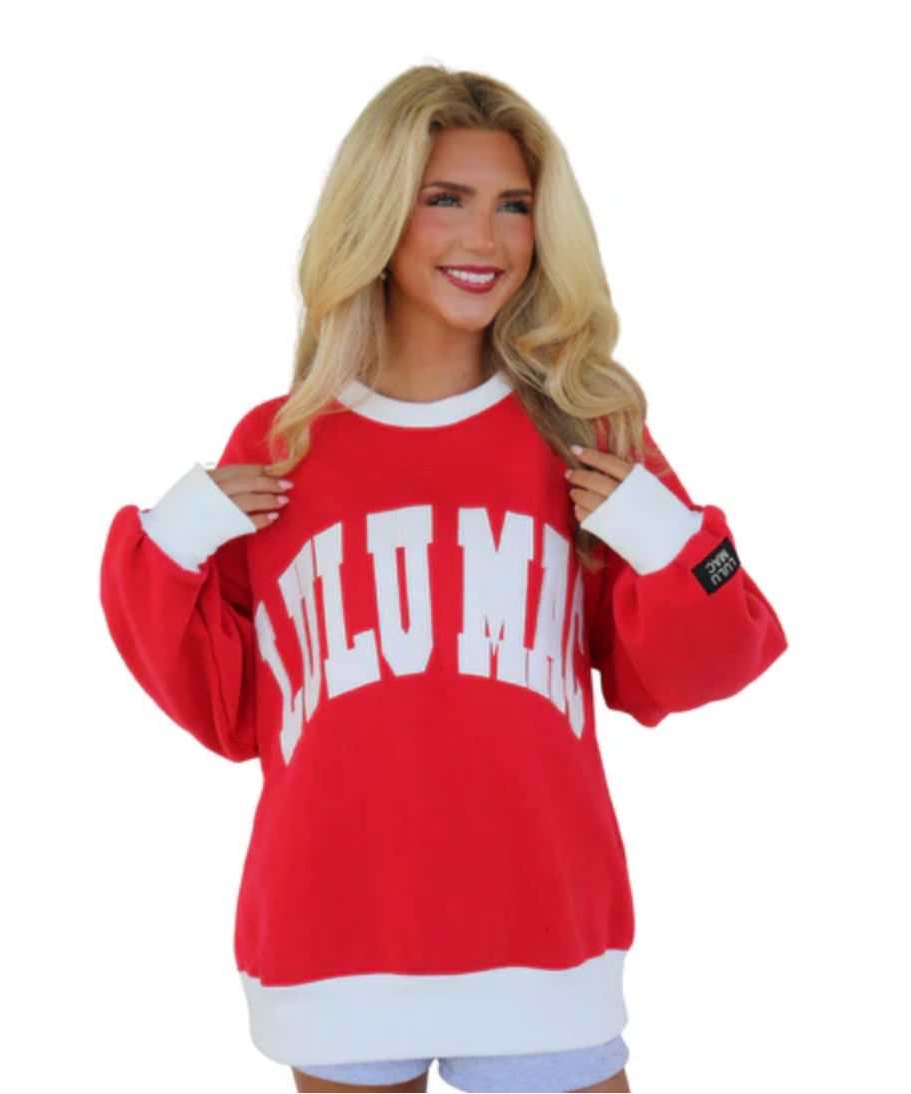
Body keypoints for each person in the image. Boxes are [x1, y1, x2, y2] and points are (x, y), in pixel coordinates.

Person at [99, 63, 788, 1094]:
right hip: (334, 937)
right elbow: (227, 709)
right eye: (446, 199)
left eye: (514, 205)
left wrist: (666, 536)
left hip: (543, 938)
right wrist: (168, 541)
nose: (487, 239)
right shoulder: (281, 444)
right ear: (378, 217)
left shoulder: (585, 432)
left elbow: (704, 659)